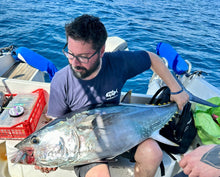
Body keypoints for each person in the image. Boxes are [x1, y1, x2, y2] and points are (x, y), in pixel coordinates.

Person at [35, 14, 189, 177]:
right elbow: (55, 124)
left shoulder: (117, 63)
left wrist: (176, 90)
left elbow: (151, 58)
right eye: (70, 53)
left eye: (83, 57)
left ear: (101, 51)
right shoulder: (61, 81)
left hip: (124, 131)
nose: (74, 63)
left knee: (153, 153)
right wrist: (47, 156)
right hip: (86, 148)